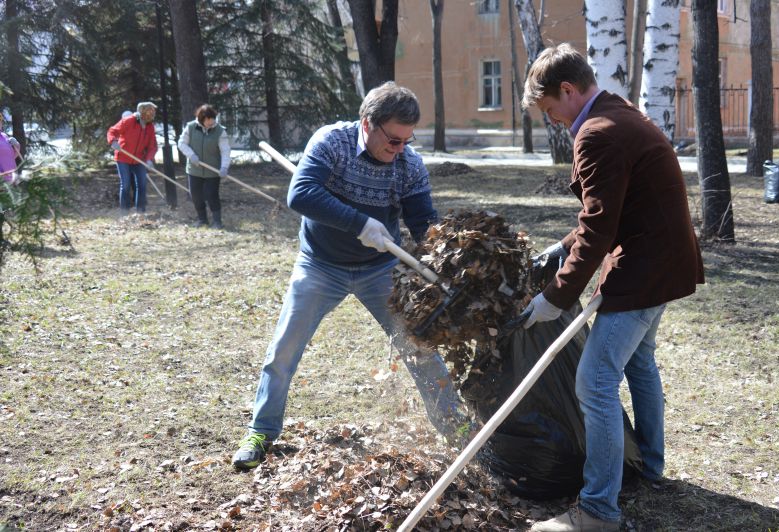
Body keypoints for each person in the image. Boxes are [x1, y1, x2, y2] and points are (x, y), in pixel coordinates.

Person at [232, 82, 464, 470]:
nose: (400, 149)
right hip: (320, 265)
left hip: (380, 270)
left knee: (420, 347)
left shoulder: (409, 164)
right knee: (284, 351)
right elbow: (301, 193)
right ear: (367, 124)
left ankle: (456, 429)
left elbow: (423, 222)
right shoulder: (332, 143)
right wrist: (360, 223)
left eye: (408, 140)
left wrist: (444, 260)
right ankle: (261, 430)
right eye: (393, 140)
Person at [520, 44, 704, 532]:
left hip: (644, 270)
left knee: (595, 381)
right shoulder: (618, 114)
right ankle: (651, 465)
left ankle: (599, 511)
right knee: (640, 362)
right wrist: (562, 248)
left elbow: (600, 228)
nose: (553, 120)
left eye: (549, 109)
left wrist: (554, 297)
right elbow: (610, 211)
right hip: (663, 263)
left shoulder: (598, 133)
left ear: (567, 90)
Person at [177, 104, 231, 229]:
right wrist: (191, 155)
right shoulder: (190, 127)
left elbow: (225, 151)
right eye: (209, 121)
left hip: (212, 170)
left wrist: (224, 167)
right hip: (194, 169)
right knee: (195, 195)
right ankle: (202, 220)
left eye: (213, 120)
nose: (211, 123)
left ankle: (217, 222)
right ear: (202, 118)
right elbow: (181, 144)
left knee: (212, 195)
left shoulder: (220, 131)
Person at [107, 102, 158, 213]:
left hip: (139, 159)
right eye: (149, 112)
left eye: (152, 113)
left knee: (142, 184)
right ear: (142, 112)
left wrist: (149, 159)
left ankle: (140, 212)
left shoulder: (150, 127)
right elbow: (112, 131)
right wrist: (113, 141)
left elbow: (152, 146)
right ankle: (124, 212)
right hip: (123, 158)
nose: (151, 115)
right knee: (125, 185)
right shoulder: (129, 121)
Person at [0, 115, 22, 184]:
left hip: (13, 178)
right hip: (2, 181)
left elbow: (12, 156)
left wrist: (16, 144)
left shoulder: (4, 136)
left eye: (0, 121)